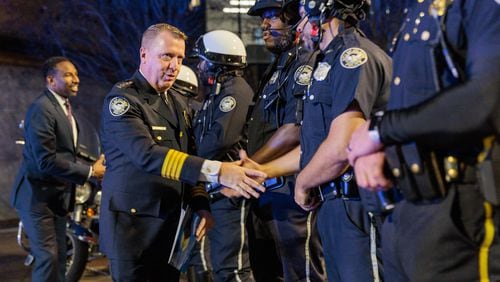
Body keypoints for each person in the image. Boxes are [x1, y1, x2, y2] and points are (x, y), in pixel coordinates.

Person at [99, 23, 267, 281]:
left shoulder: (176, 101)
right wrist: (219, 171)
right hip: (133, 233)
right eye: (166, 55)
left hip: (170, 228)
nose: (175, 65)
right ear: (144, 54)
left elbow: (188, 151)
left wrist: (200, 203)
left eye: (179, 57)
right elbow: (147, 155)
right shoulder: (123, 101)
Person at [347, 1, 500, 281]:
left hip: (458, 213)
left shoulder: (481, 6)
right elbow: (413, 102)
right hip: (404, 212)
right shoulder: (419, 11)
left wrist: (380, 131)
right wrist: (380, 146)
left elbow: (485, 103)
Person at [244, 0, 393, 280]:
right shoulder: (329, 61)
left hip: (357, 204)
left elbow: (342, 145)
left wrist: (303, 181)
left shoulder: (353, 57)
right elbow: (314, 146)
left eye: (302, 16)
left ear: (319, 13)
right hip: (334, 206)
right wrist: (259, 170)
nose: (299, 26)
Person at [244, 0, 326, 281]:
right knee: (266, 272)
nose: (264, 25)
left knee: (300, 274)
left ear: (294, 20)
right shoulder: (279, 65)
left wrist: (249, 165)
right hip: (266, 191)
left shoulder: (304, 62)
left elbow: (295, 128)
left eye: (272, 17)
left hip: (291, 195)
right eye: (263, 18)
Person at [10, 56, 106, 282]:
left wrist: (96, 162)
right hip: (36, 197)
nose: (76, 80)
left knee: (61, 257)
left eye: (76, 74)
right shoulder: (42, 109)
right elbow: (46, 160)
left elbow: (67, 149)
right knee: (48, 258)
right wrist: (90, 172)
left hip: (58, 197)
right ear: (51, 80)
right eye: (68, 75)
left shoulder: (64, 107)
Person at [191, 30, 255, 281]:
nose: (199, 66)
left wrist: (191, 163)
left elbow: (220, 140)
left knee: (232, 268)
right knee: (222, 267)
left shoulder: (235, 93)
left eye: (204, 60)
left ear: (220, 62)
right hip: (218, 189)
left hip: (230, 191)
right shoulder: (220, 93)